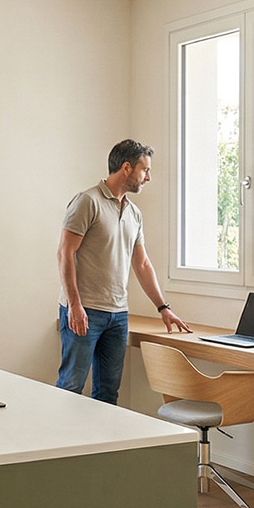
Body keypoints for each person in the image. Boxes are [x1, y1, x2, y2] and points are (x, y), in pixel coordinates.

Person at [56, 139, 190, 403]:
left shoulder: (134, 212)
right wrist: (74, 305)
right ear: (127, 168)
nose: (148, 177)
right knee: (71, 387)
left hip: (117, 315)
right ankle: (66, 444)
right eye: (145, 170)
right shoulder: (87, 201)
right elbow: (65, 253)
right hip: (84, 311)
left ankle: (104, 445)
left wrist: (163, 307)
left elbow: (141, 264)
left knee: (108, 392)